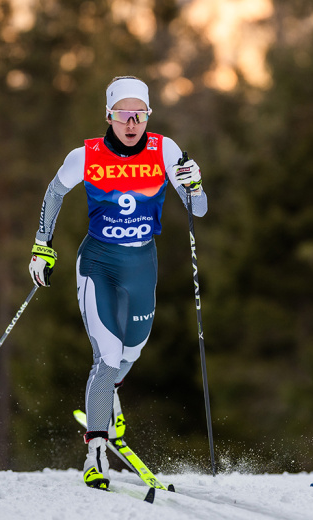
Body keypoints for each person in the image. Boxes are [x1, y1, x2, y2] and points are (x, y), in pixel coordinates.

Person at [28, 76, 207, 490]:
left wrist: (195, 184)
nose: (132, 124)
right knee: (107, 358)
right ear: (109, 116)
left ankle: (107, 397)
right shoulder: (85, 155)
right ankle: (95, 450)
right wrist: (42, 245)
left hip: (142, 262)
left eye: (139, 115)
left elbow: (198, 209)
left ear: (148, 116)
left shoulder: (166, 150)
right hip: (99, 263)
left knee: (132, 350)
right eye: (124, 116)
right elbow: (54, 194)